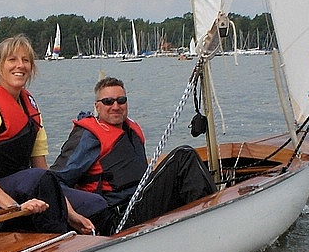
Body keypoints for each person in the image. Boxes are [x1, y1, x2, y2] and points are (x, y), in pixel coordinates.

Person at [0, 34, 95, 234]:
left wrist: (71, 214)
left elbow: (42, 168)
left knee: (94, 205)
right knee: (38, 180)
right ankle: (57, 244)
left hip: (14, 190)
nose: (20, 65)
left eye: (26, 60)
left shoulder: (30, 107)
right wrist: (15, 208)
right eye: (12, 59)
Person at [51, 76, 216, 235]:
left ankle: (206, 218)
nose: (116, 106)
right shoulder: (88, 137)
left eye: (121, 100)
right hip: (118, 219)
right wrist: (74, 216)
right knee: (184, 156)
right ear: (97, 106)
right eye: (108, 101)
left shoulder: (132, 130)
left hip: (140, 202)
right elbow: (54, 181)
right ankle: (210, 219)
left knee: (184, 170)